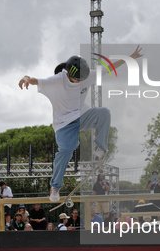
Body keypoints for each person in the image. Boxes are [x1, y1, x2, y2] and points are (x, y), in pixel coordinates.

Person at [18, 47, 143, 202]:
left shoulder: (87, 75)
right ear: (69, 75)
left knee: (104, 113)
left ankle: (101, 147)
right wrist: (26, 78)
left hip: (83, 115)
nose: (82, 81)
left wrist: (129, 58)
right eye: (78, 80)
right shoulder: (57, 80)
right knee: (67, 150)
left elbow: (108, 68)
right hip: (63, 124)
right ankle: (55, 187)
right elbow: (36, 80)